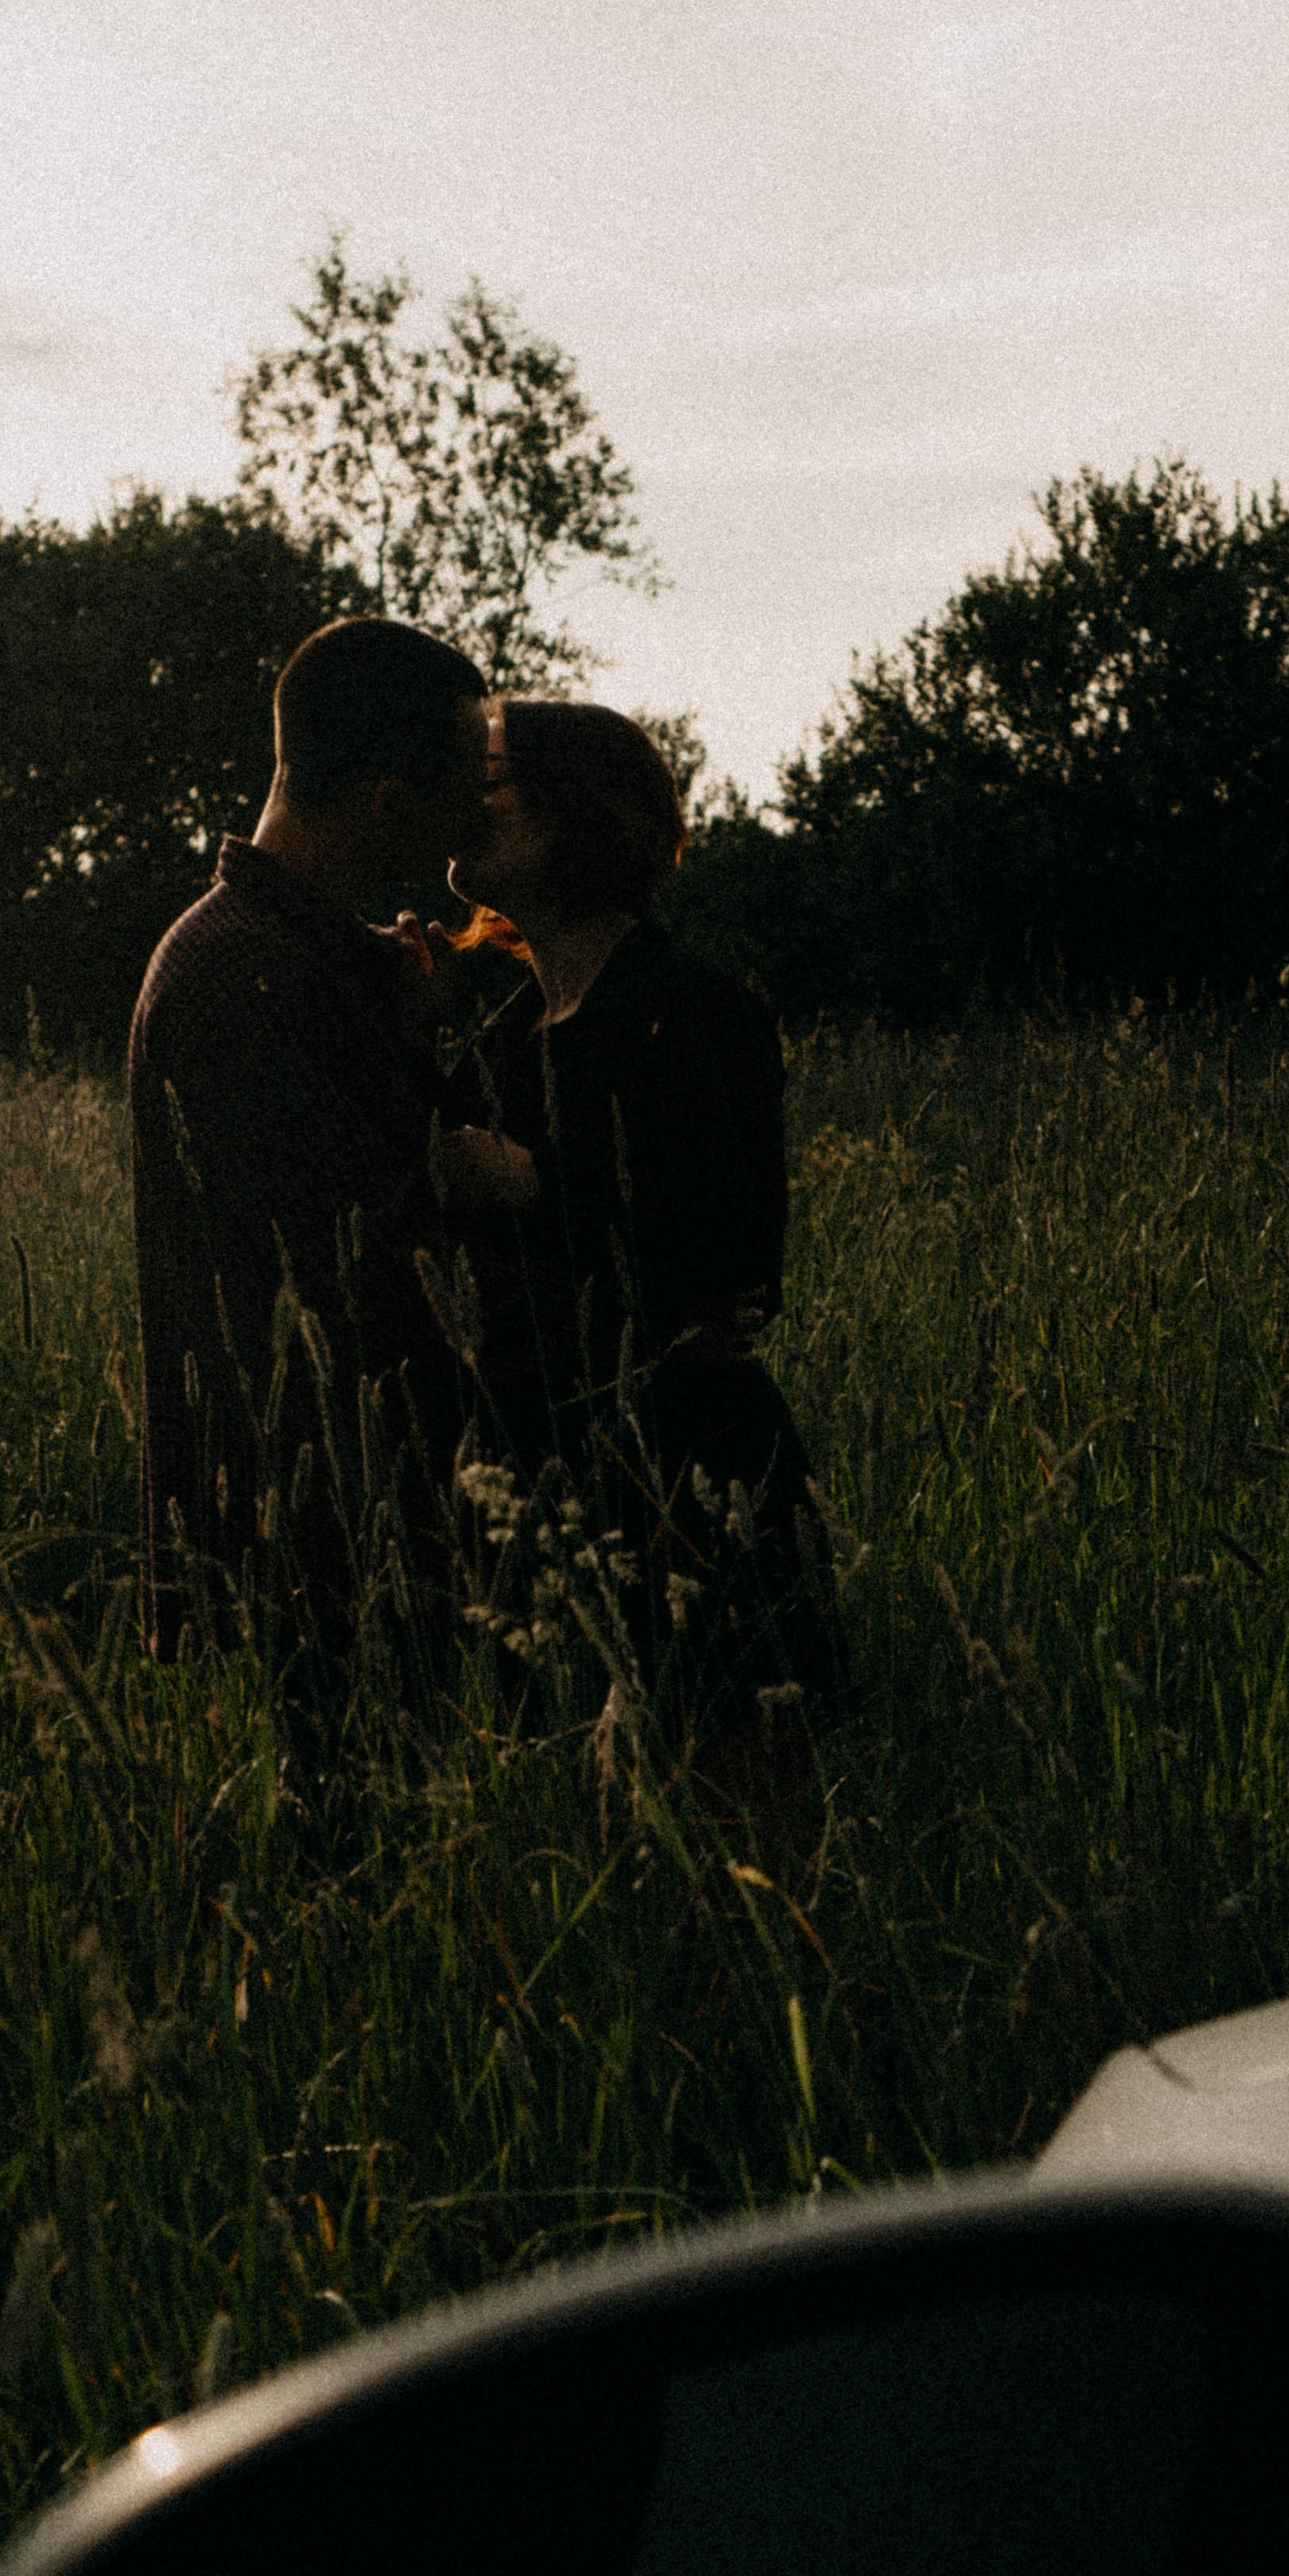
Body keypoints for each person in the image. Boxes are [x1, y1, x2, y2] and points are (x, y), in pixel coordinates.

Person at [404, 699, 843, 1772]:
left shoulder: (694, 1010)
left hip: (690, 1483)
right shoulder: (501, 1038)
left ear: (575, 812)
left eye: (488, 778)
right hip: (530, 1496)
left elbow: (732, 1262)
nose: (462, 801)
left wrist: (529, 1186)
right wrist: (405, 1030)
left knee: (723, 1806)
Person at [128, 616, 489, 1669]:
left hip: (339, 1519)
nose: (476, 815)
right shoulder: (247, 976)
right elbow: (359, 1261)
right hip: (314, 1540)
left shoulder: (294, 955)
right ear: (390, 803)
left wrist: (408, 1026)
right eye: (464, 786)